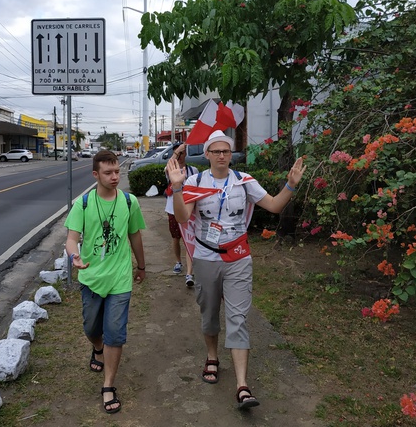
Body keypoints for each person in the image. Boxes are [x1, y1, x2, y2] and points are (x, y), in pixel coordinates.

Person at [166, 130, 305, 410]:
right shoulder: (195, 181)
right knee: (208, 314)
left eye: (225, 151)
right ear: (206, 155)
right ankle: (213, 356)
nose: (221, 156)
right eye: (215, 151)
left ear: (231, 155)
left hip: (238, 258)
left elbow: (275, 206)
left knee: (238, 318)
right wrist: (178, 187)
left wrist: (290, 185)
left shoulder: (244, 182)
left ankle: (242, 386)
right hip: (205, 258)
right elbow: (182, 217)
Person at [64, 150, 147, 414]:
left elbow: (135, 235)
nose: (114, 177)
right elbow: (71, 237)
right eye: (108, 173)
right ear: (96, 174)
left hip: (120, 279)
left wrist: (141, 266)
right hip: (91, 278)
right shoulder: (84, 204)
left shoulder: (129, 201)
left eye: (117, 172)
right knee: (91, 328)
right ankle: (96, 347)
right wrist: (74, 256)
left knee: (115, 332)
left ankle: (108, 385)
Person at [164, 143, 199, 286]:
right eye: (177, 154)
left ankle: (189, 274)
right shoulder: (170, 170)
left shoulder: (193, 170)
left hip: (190, 210)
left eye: (182, 153)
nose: (179, 156)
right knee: (176, 238)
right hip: (173, 209)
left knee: (190, 239)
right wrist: (176, 152)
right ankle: (178, 261)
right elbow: (168, 165)